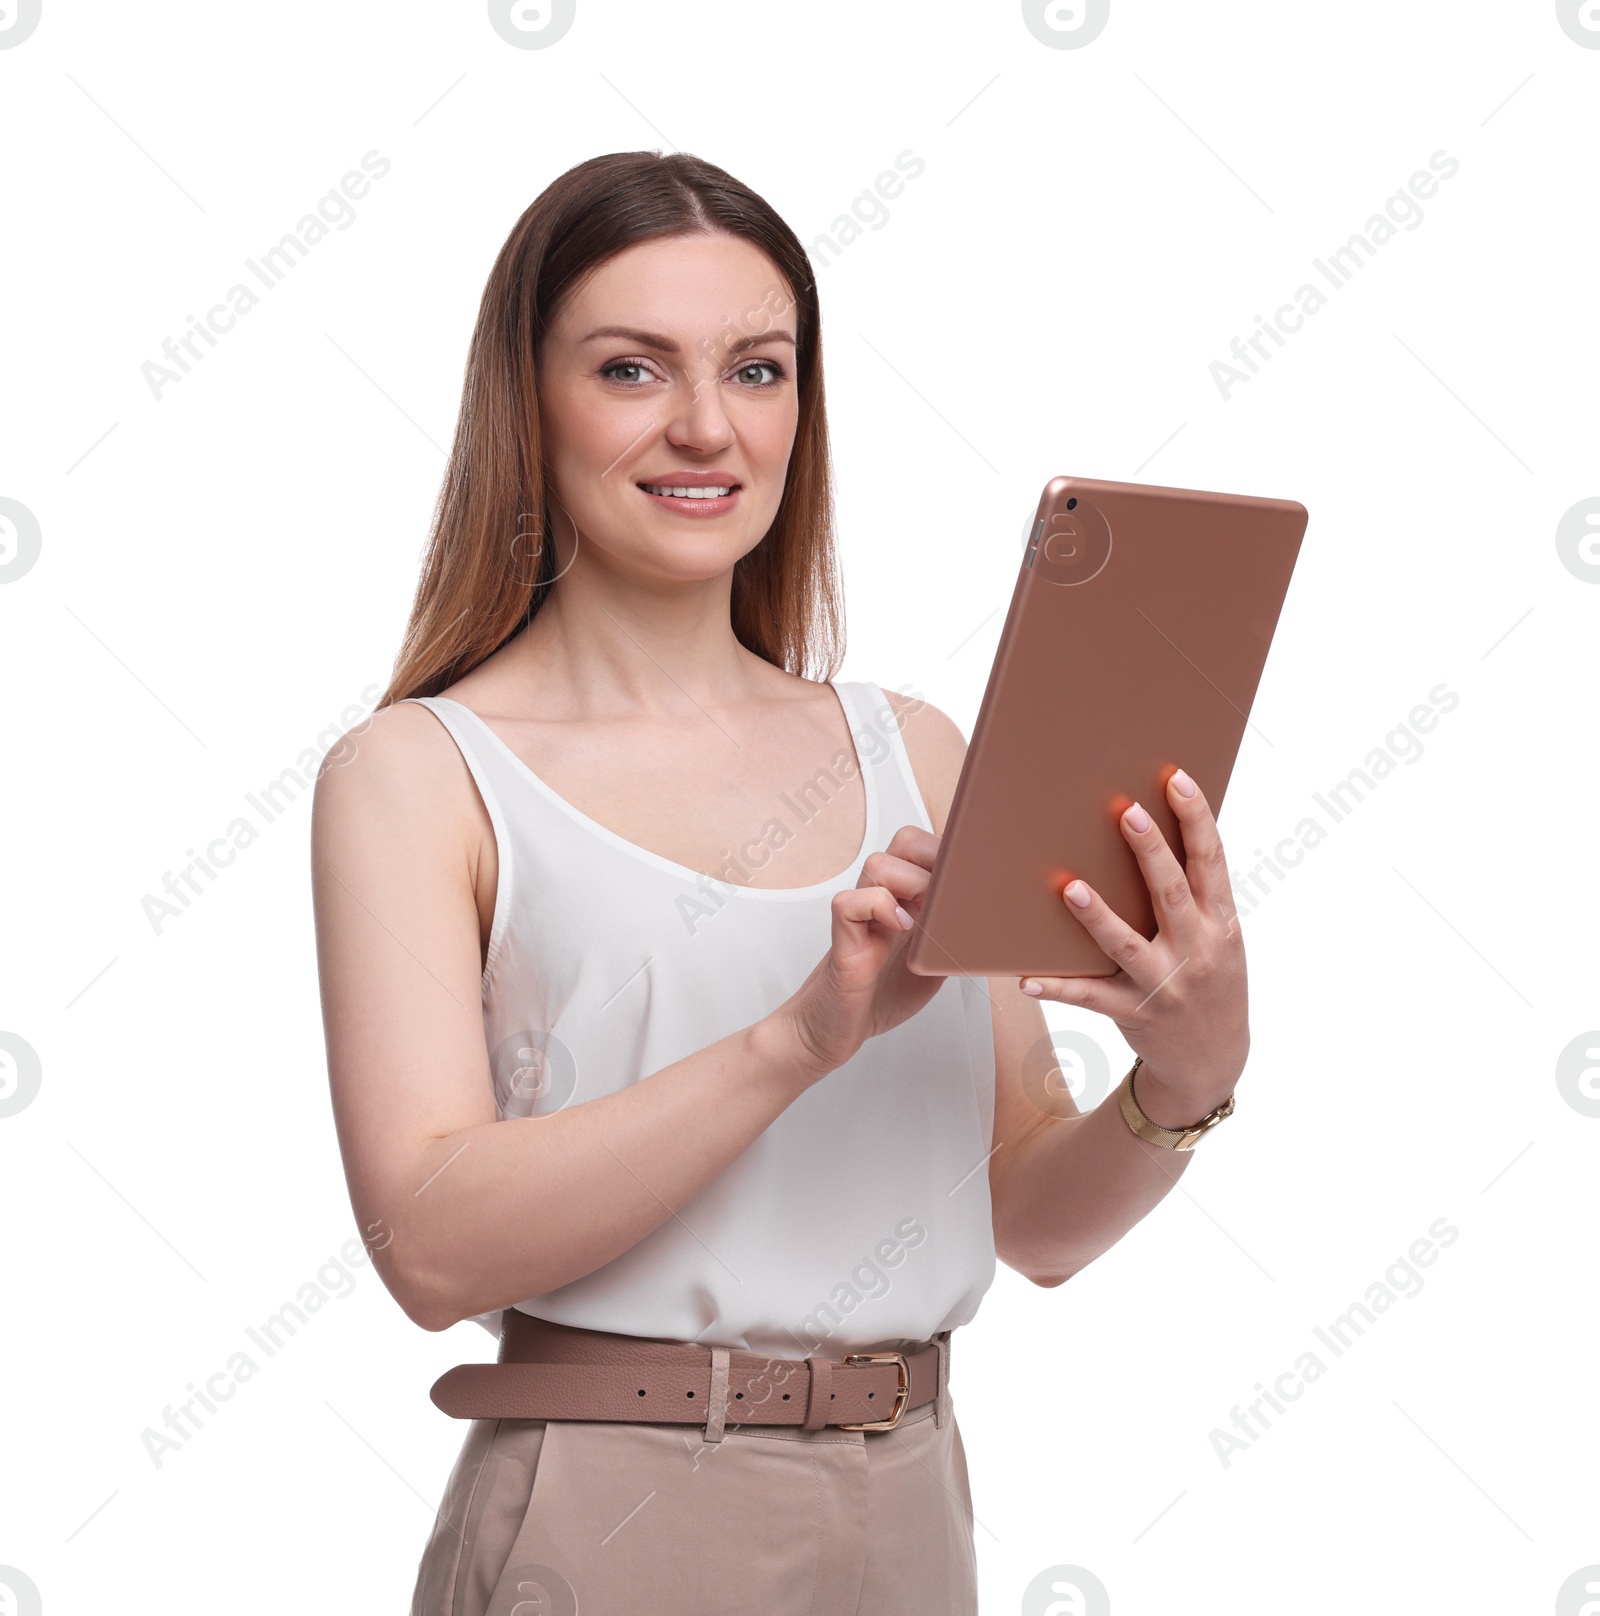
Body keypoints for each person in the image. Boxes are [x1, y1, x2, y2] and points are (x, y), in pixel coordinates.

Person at [310, 150, 1249, 1616]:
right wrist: (795, 1041)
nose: (705, 426)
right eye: (632, 368)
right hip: (604, 1510)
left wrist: (1184, 1079)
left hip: (909, 1501)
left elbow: (1033, 1220)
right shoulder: (419, 775)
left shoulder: (919, 754)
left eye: (757, 369)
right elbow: (429, 1247)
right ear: (526, 402)